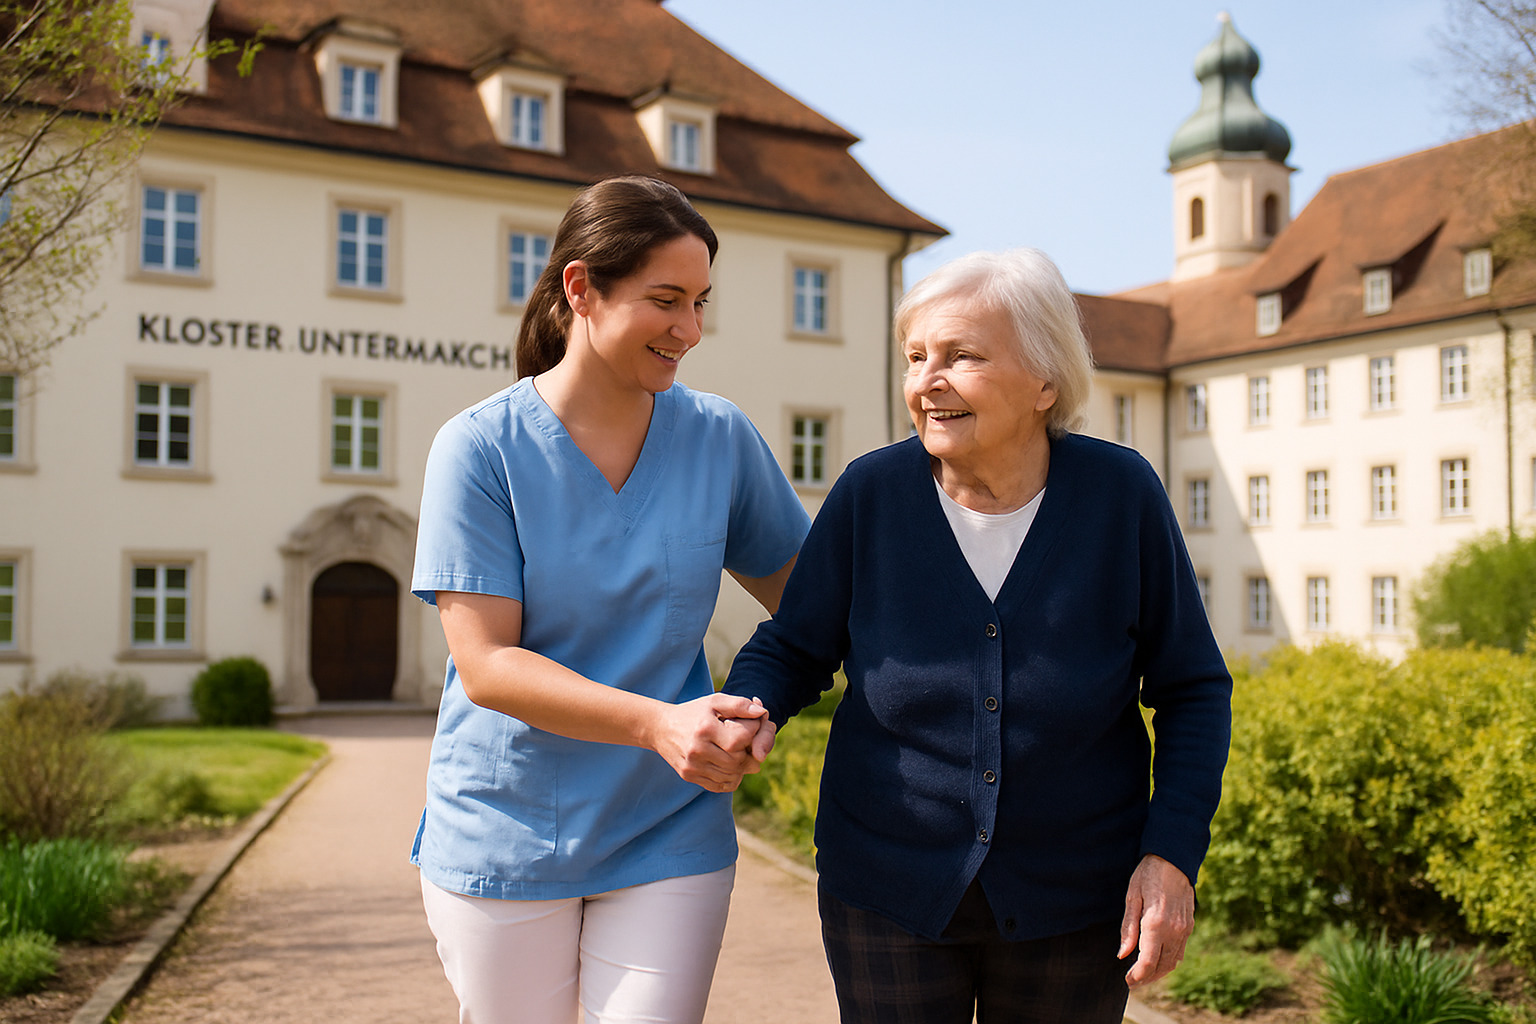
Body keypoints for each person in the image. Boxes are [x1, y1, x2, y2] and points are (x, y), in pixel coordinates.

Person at [724, 248, 1233, 1023]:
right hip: (886, 884)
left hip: (1075, 893)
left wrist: (1170, 855)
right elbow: (795, 645)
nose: (928, 380)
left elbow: (1192, 689)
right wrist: (744, 709)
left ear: (1045, 382)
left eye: (961, 356)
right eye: (916, 357)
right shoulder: (872, 493)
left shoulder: (1119, 496)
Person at [409, 176, 809, 1024]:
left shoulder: (718, 438)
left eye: (700, 302)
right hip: (507, 829)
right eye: (666, 301)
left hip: (669, 825)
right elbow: (486, 665)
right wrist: (657, 723)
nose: (690, 331)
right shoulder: (479, 449)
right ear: (581, 289)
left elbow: (814, 604)